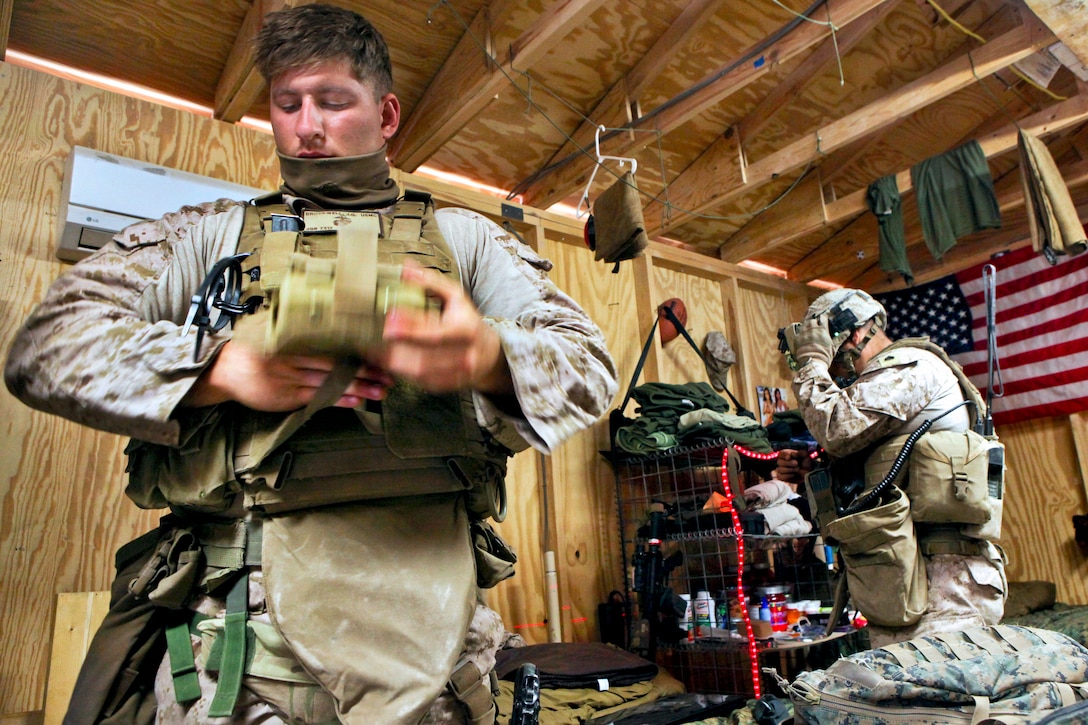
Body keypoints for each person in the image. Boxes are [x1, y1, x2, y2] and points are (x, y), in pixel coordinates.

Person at [4, 5, 617, 723]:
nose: (307, 126)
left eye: (332, 101)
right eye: (287, 103)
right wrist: (220, 369)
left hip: (431, 641)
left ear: (386, 115)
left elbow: (589, 362)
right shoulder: (208, 236)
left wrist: (486, 355)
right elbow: (45, 344)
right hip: (234, 645)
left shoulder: (466, 241)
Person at [778, 288, 1005, 648]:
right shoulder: (881, 380)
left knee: (939, 699)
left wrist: (810, 365)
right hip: (907, 577)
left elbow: (837, 427)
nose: (832, 368)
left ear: (850, 335)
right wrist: (817, 471)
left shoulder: (908, 365)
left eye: (828, 350)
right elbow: (882, 465)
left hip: (942, 582)